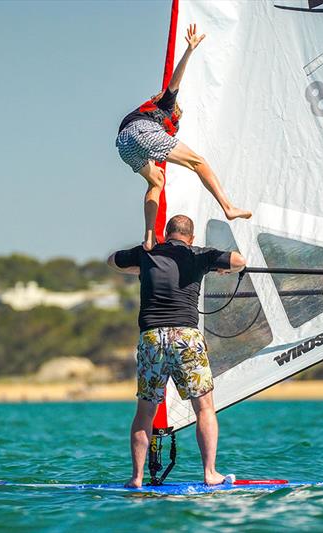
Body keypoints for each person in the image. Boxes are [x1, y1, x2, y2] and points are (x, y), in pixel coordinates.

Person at [107, 214, 247, 488]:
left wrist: (141, 260)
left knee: (145, 412)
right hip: (186, 337)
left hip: (152, 338)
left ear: (166, 233)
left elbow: (112, 260)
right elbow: (239, 261)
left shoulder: (147, 253)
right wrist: (218, 267)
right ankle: (209, 473)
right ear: (191, 238)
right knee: (204, 408)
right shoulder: (200, 255)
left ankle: (136, 478)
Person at [115, 24, 251, 252]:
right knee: (199, 162)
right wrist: (189, 50)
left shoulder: (158, 117)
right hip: (142, 132)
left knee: (156, 181)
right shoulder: (167, 105)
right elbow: (175, 80)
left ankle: (149, 238)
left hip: (123, 144)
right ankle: (228, 207)